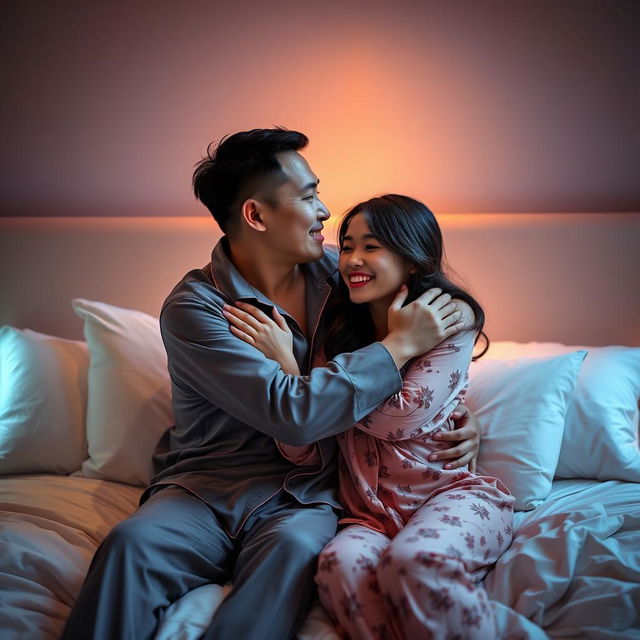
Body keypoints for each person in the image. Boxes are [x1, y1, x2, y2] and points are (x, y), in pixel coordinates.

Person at [62, 129, 481, 640]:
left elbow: (435, 326)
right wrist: (395, 349)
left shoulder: (343, 275)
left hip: (308, 494)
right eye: (308, 197)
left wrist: (455, 411)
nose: (325, 211)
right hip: (205, 489)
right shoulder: (197, 309)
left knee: (297, 551)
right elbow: (291, 412)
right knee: (130, 545)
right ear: (257, 216)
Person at [225, 194, 515, 639]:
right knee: (338, 566)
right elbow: (304, 447)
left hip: (451, 497)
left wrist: (314, 387)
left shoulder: (451, 321)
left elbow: (399, 418)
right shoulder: (337, 332)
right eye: (346, 246)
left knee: (416, 561)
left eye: (372, 246)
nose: (353, 259)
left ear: (413, 258)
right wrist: (295, 385)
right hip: (367, 514)